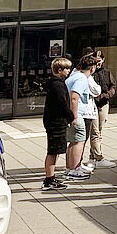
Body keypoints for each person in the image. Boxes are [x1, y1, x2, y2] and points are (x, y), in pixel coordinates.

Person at [64, 54, 99, 180]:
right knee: (79, 141)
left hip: (72, 113)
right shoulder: (81, 78)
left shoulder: (73, 76)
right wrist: (74, 116)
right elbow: (74, 97)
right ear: (92, 68)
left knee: (73, 142)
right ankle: (75, 169)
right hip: (77, 114)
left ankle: (70, 168)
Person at [41, 57, 74, 191]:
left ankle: (51, 177)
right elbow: (62, 104)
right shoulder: (58, 85)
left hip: (54, 121)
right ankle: (49, 179)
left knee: (54, 150)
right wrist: (71, 116)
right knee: (53, 150)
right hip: (56, 122)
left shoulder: (56, 83)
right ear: (59, 70)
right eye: (66, 68)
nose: (69, 70)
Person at [89, 50, 117, 169]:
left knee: (99, 130)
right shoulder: (90, 73)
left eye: (100, 61)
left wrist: (108, 94)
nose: (98, 63)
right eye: (96, 61)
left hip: (104, 103)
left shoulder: (107, 72)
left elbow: (113, 86)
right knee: (95, 132)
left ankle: (92, 156)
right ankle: (98, 157)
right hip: (93, 104)